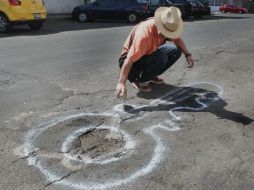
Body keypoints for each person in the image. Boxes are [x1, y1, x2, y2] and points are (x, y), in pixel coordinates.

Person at [115, 6, 194, 99]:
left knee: (175, 51)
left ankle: (151, 75)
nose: (166, 37)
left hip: (148, 52)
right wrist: (121, 83)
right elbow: (129, 60)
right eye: (165, 34)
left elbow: (178, 40)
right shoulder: (144, 36)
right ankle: (139, 80)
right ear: (160, 27)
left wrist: (187, 55)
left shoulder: (168, 25)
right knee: (161, 58)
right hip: (132, 62)